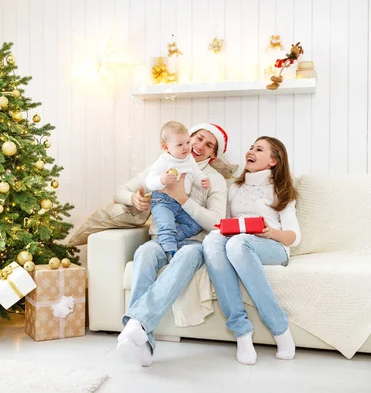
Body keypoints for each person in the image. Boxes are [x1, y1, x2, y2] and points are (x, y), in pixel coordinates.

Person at [113, 123, 229, 367]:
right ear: (185, 140)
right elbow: (120, 191)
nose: (198, 146)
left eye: (209, 144)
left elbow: (217, 222)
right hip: (159, 239)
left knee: (186, 257)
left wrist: (182, 199)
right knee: (144, 253)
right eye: (197, 138)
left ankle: (136, 322)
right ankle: (144, 343)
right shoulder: (164, 164)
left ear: (213, 154)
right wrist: (133, 198)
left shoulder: (213, 179)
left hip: (193, 242)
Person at [202, 136, 301, 365]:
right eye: (250, 147)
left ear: (273, 161)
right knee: (211, 242)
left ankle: (280, 329)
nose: (251, 151)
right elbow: (224, 221)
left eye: (259, 149)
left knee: (238, 244)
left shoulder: (280, 189)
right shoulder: (234, 188)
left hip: (273, 245)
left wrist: (270, 232)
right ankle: (242, 333)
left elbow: (294, 237)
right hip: (238, 240)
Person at [145, 121, 210, 259]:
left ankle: (169, 238)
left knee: (195, 224)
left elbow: (196, 173)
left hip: (180, 203)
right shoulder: (164, 161)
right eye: (180, 145)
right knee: (166, 225)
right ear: (166, 147)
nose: (186, 147)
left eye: (187, 142)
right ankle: (170, 252)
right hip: (162, 202)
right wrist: (162, 180)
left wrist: (202, 180)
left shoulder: (189, 159)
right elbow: (149, 181)